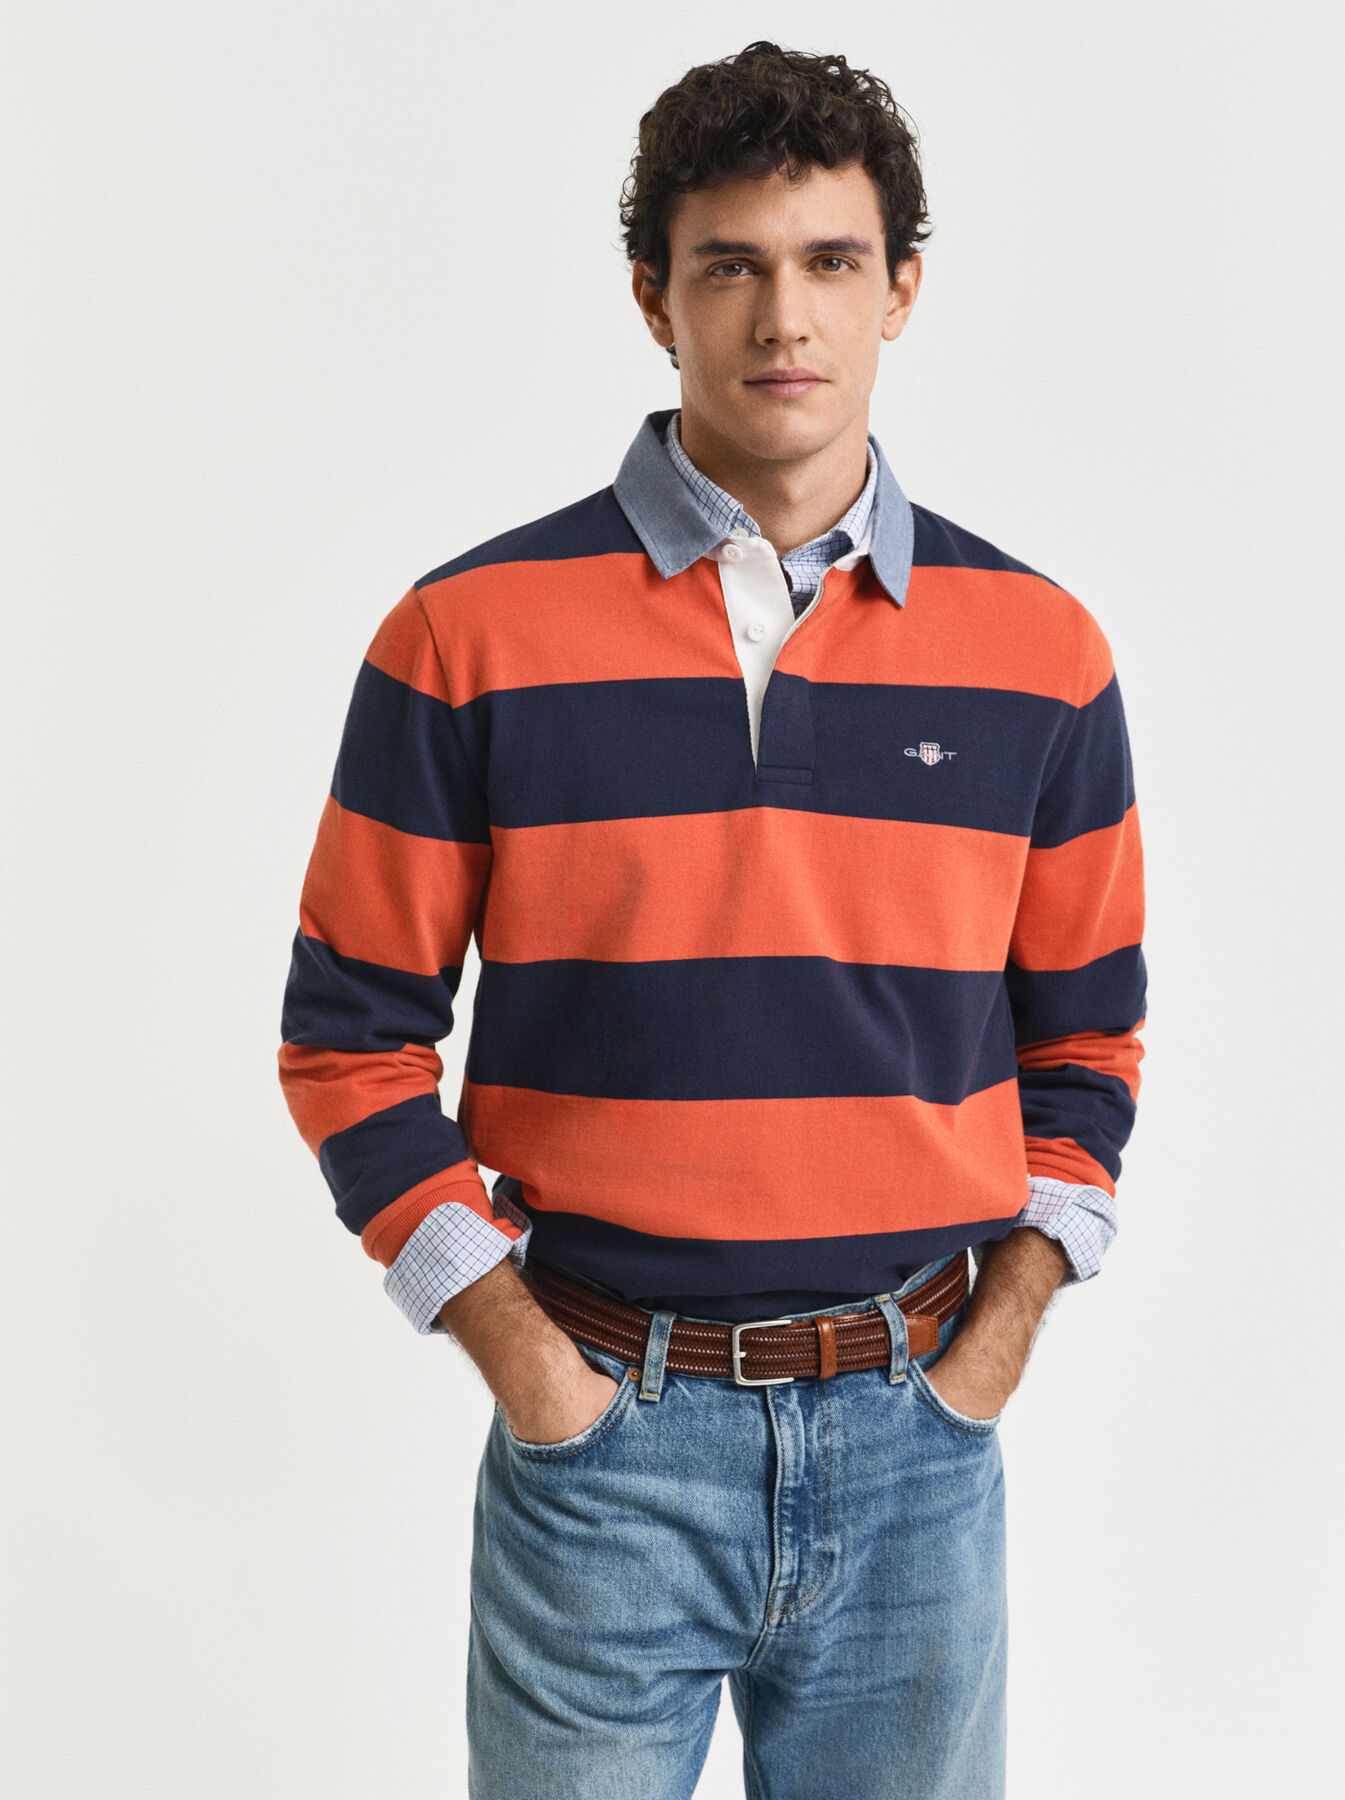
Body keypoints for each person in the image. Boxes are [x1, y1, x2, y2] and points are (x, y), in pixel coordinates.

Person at [278, 39, 1147, 1800]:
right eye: (730, 266)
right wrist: (529, 1367)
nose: (784, 317)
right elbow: (348, 1045)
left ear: (902, 291)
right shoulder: (466, 636)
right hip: (605, 1439)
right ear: (650, 297)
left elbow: (1089, 1051)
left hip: (920, 1446)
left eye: (831, 262)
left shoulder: (1044, 656)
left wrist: (987, 1360)